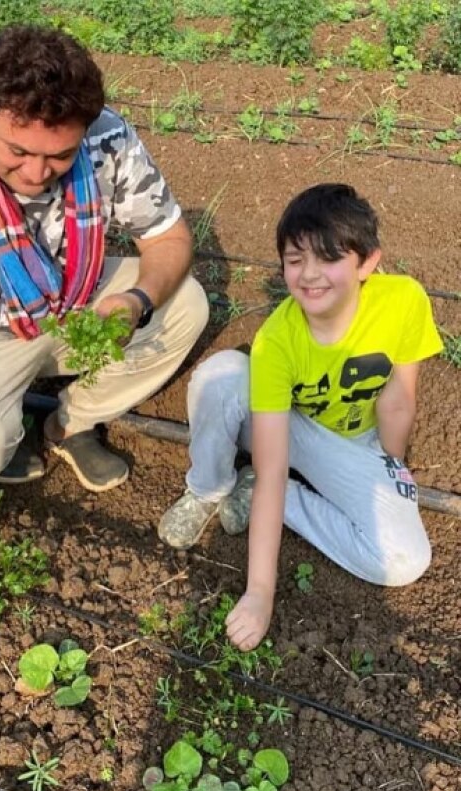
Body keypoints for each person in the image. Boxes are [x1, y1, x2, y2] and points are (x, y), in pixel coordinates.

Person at [0, 25, 208, 584]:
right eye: (18, 150)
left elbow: (168, 238)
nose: (34, 174)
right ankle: (0, 422)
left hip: (72, 299)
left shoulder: (107, 139)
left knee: (184, 305)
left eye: (58, 156)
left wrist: (134, 299)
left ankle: (66, 423)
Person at [158, 183, 442, 651]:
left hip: (356, 441)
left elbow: (397, 398)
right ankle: (208, 487)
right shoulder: (278, 341)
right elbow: (273, 467)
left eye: (328, 258)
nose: (309, 275)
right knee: (223, 376)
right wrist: (259, 594)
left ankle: (278, 499)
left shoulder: (404, 301)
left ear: (368, 262)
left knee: (404, 560)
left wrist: (392, 466)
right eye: (295, 259)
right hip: (293, 430)